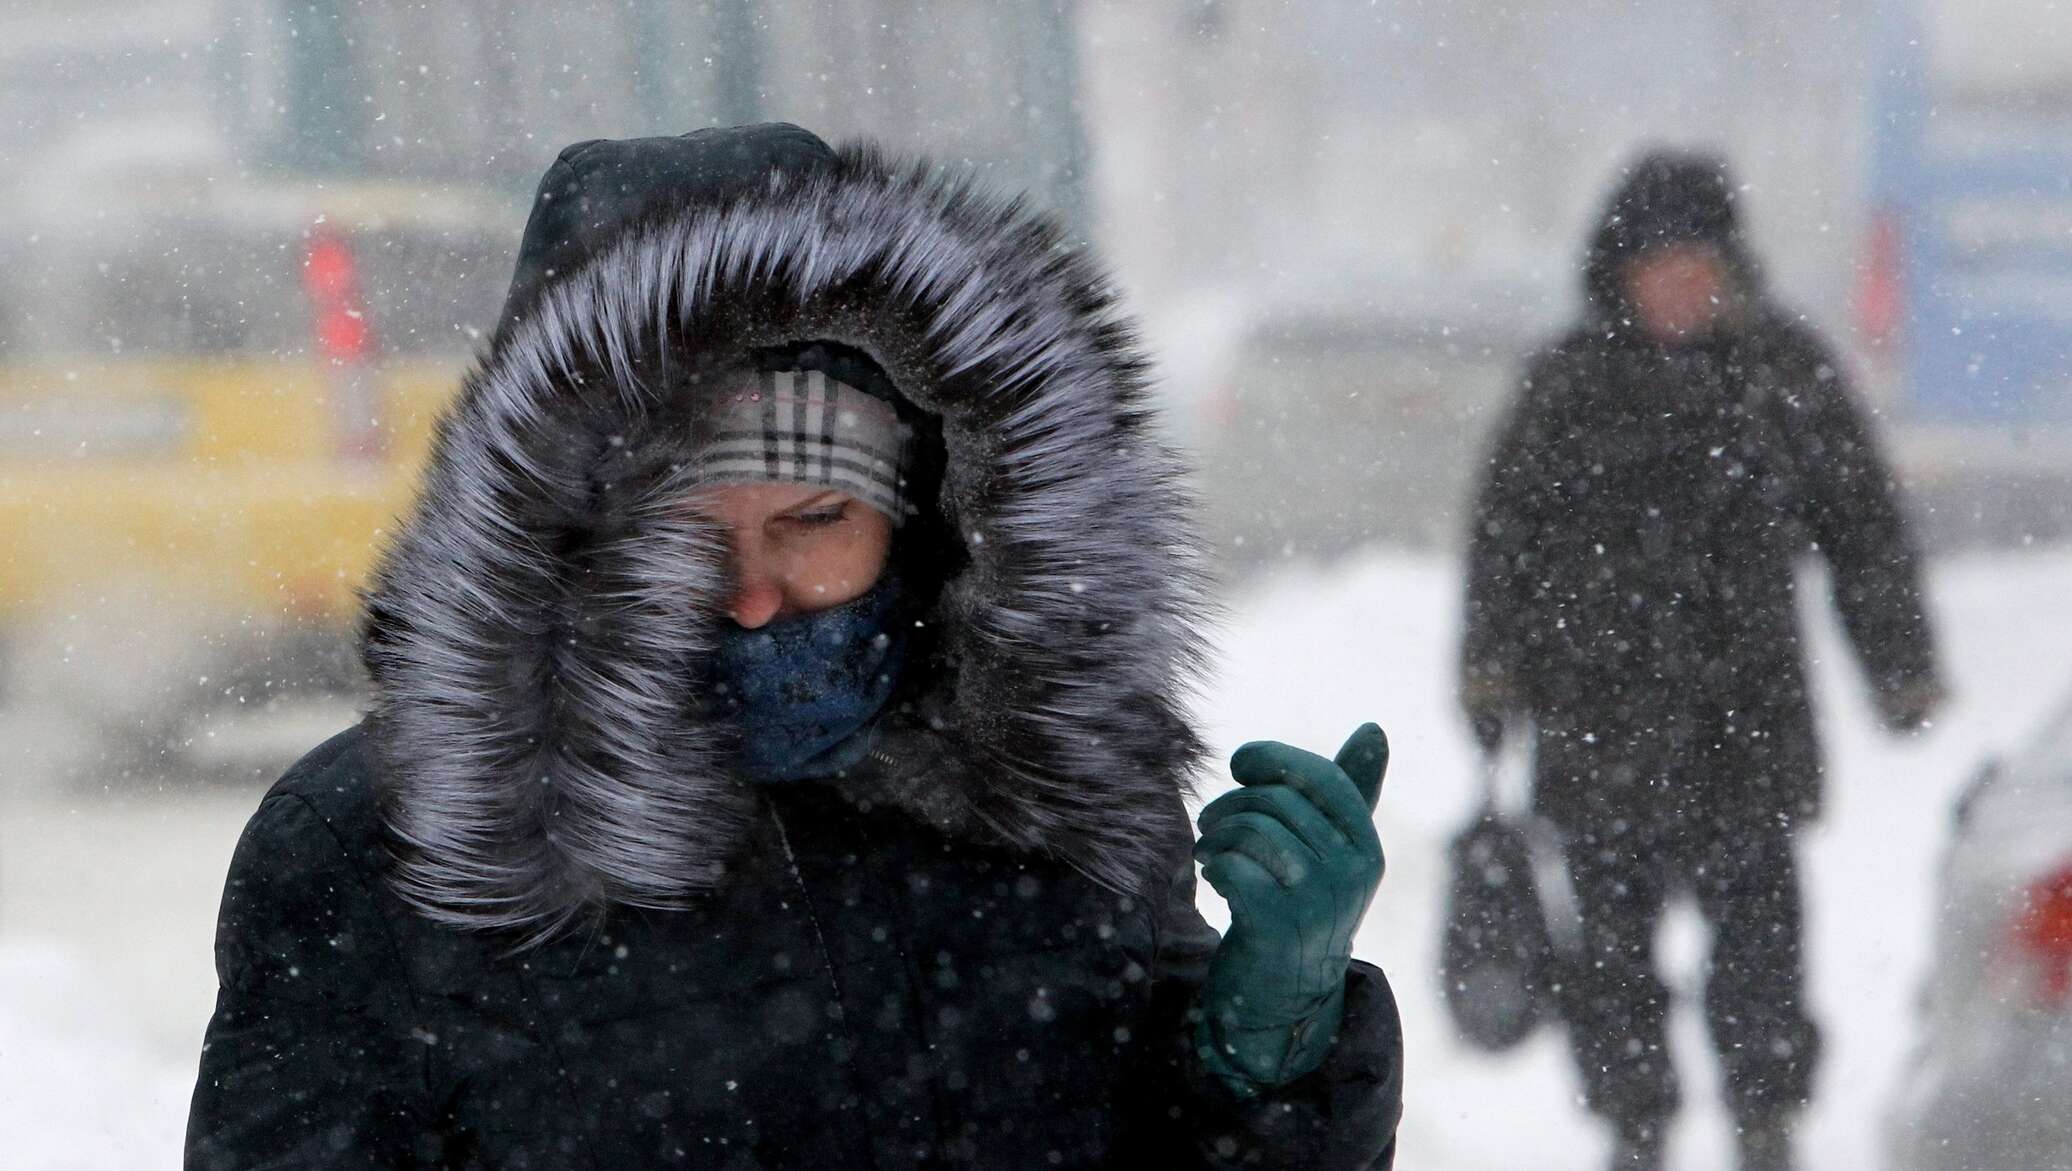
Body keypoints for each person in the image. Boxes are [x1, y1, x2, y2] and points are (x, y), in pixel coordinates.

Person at [185, 124, 1404, 1170]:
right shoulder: (384, 845)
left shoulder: (1044, 781)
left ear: (917, 510)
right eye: (681, 537)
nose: (754, 596)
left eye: (814, 521)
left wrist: (1267, 1040)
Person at [1460, 149, 1943, 1171]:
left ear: (1728, 267)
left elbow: (1860, 528)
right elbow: (1503, 538)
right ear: (1617, 272)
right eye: (1657, 265)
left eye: (1696, 263)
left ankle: (1763, 1124)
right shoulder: (1569, 385)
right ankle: (1634, 1129)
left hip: (1744, 726)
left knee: (1760, 955)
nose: (1680, 285)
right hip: (1597, 728)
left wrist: (1897, 663)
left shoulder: (1780, 373)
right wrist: (1489, 671)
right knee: (1611, 962)